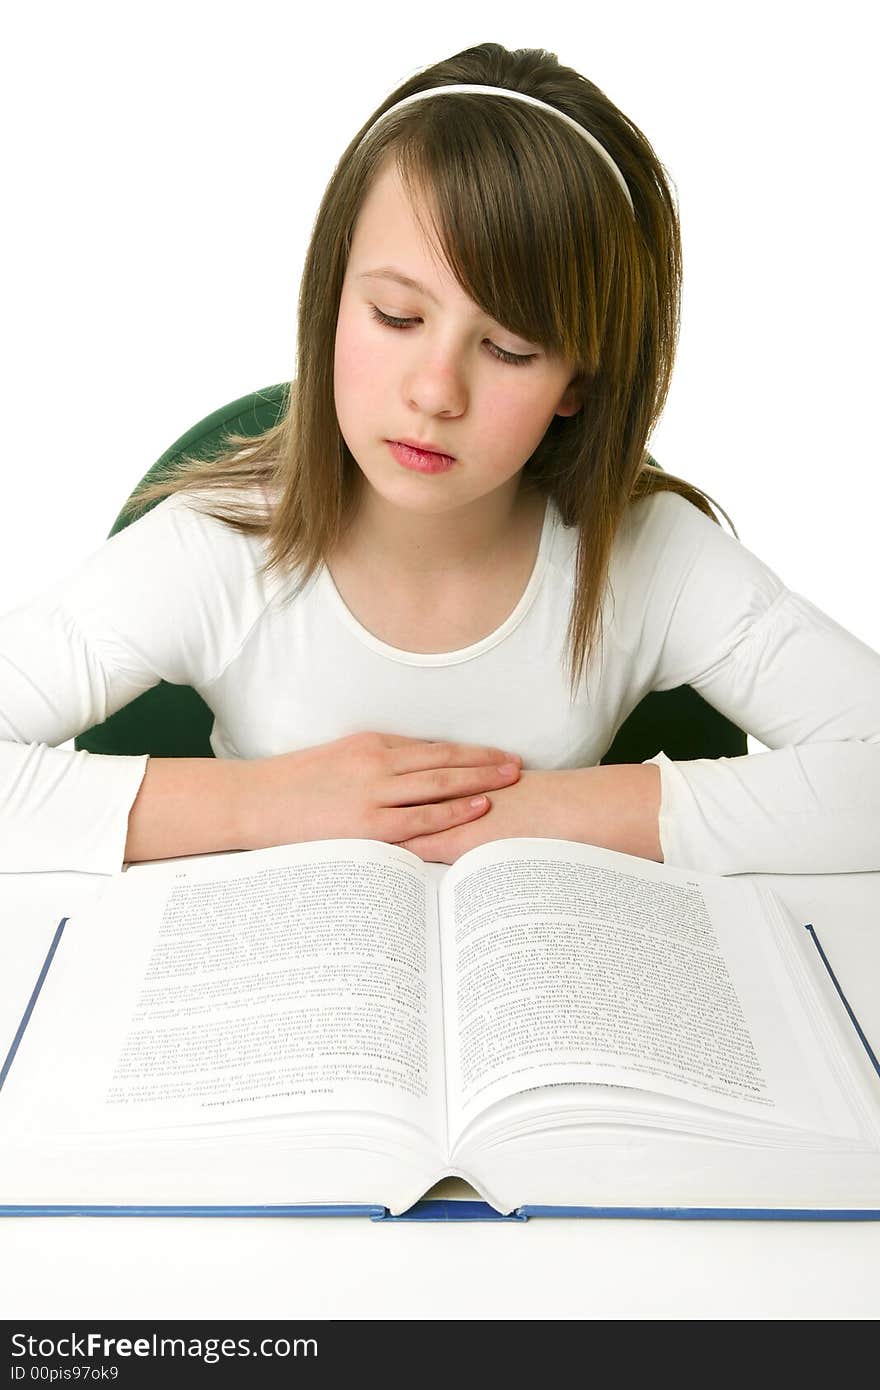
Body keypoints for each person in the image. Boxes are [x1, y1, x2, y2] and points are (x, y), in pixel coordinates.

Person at [2, 42, 879, 878]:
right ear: (332, 298)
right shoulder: (219, 545)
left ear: (580, 378)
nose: (435, 392)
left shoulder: (646, 554)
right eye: (396, 316)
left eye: (509, 348)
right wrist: (272, 803)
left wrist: (527, 813)